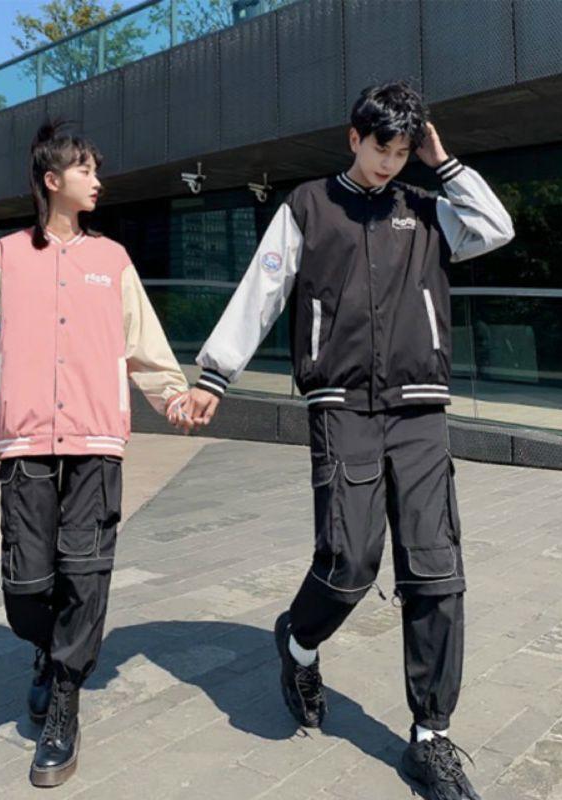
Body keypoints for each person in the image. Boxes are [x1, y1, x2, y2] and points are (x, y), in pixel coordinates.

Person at [182, 81, 514, 800]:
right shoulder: (308, 206)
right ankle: (299, 643)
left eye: (402, 152)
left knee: (436, 571)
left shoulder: (427, 209)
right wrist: (215, 374)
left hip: (420, 410)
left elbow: (497, 227)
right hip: (341, 407)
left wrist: (443, 164)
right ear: (353, 137)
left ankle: (430, 736)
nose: (389, 164)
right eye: (380, 148)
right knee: (349, 562)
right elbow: (263, 289)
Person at [0, 119, 192, 787]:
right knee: (26, 586)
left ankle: (65, 701)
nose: (97, 180)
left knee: (85, 573)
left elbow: (143, 341)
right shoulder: (5, 256)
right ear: (52, 180)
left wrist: (173, 396)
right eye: (85, 169)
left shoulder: (113, 260)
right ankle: (47, 649)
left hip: (95, 441)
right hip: (24, 442)